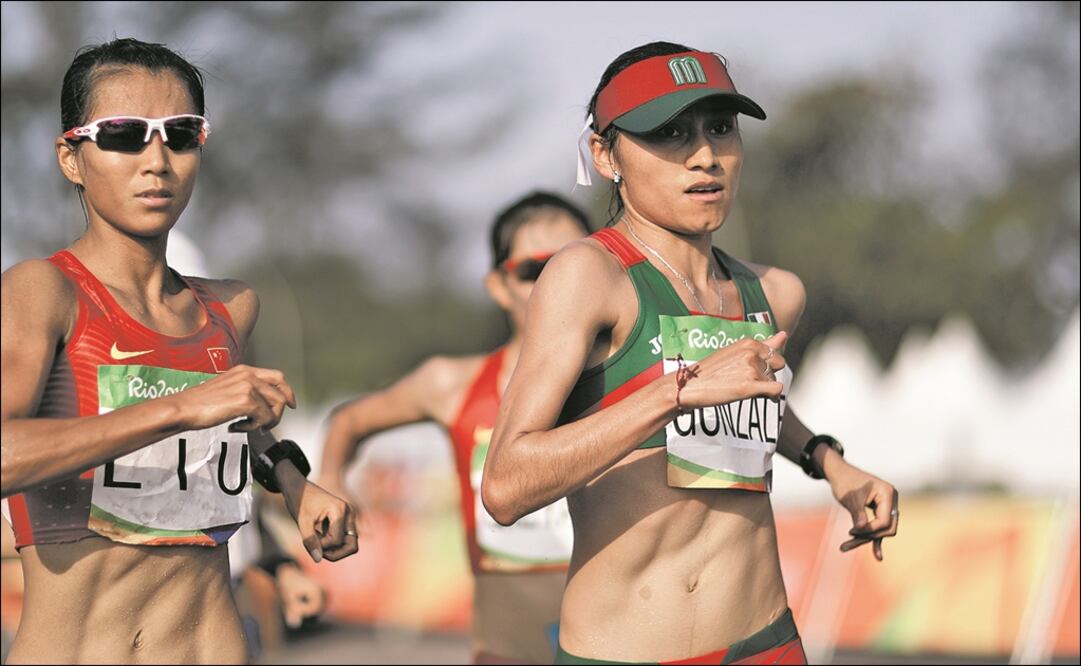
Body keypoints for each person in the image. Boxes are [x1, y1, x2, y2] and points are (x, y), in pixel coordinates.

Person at [482, 42, 900, 665]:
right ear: (604, 155)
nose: (705, 157)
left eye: (720, 128)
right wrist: (676, 391)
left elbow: (751, 403)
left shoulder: (775, 294)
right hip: (624, 651)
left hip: (766, 642)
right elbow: (506, 486)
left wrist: (829, 463)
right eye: (670, 132)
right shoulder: (587, 277)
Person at [0, 37, 357, 664]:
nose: (157, 160)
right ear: (72, 157)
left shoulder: (231, 307)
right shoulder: (42, 291)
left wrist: (299, 487)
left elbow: (236, 430)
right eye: (123, 134)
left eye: (181, 134)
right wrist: (180, 406)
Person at [318, 192, 591, 664]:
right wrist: (330, 482)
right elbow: (349, 420)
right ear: (499, 285)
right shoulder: (452, 384)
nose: (554, 284)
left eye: (571, 264)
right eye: (533, 270)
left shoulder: (635, 382)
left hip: (615, 647)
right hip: (506, 653)